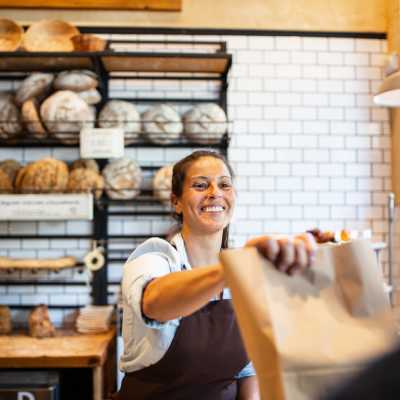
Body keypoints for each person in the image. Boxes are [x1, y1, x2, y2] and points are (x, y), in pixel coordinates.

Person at [116, 150, 316, 400]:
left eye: (224, 184)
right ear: (176, 202)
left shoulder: (243, 274)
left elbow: (246, 370)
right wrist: (232, 267)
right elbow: (154, 303)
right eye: (200, 185)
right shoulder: (155, 257)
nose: (215, 192)